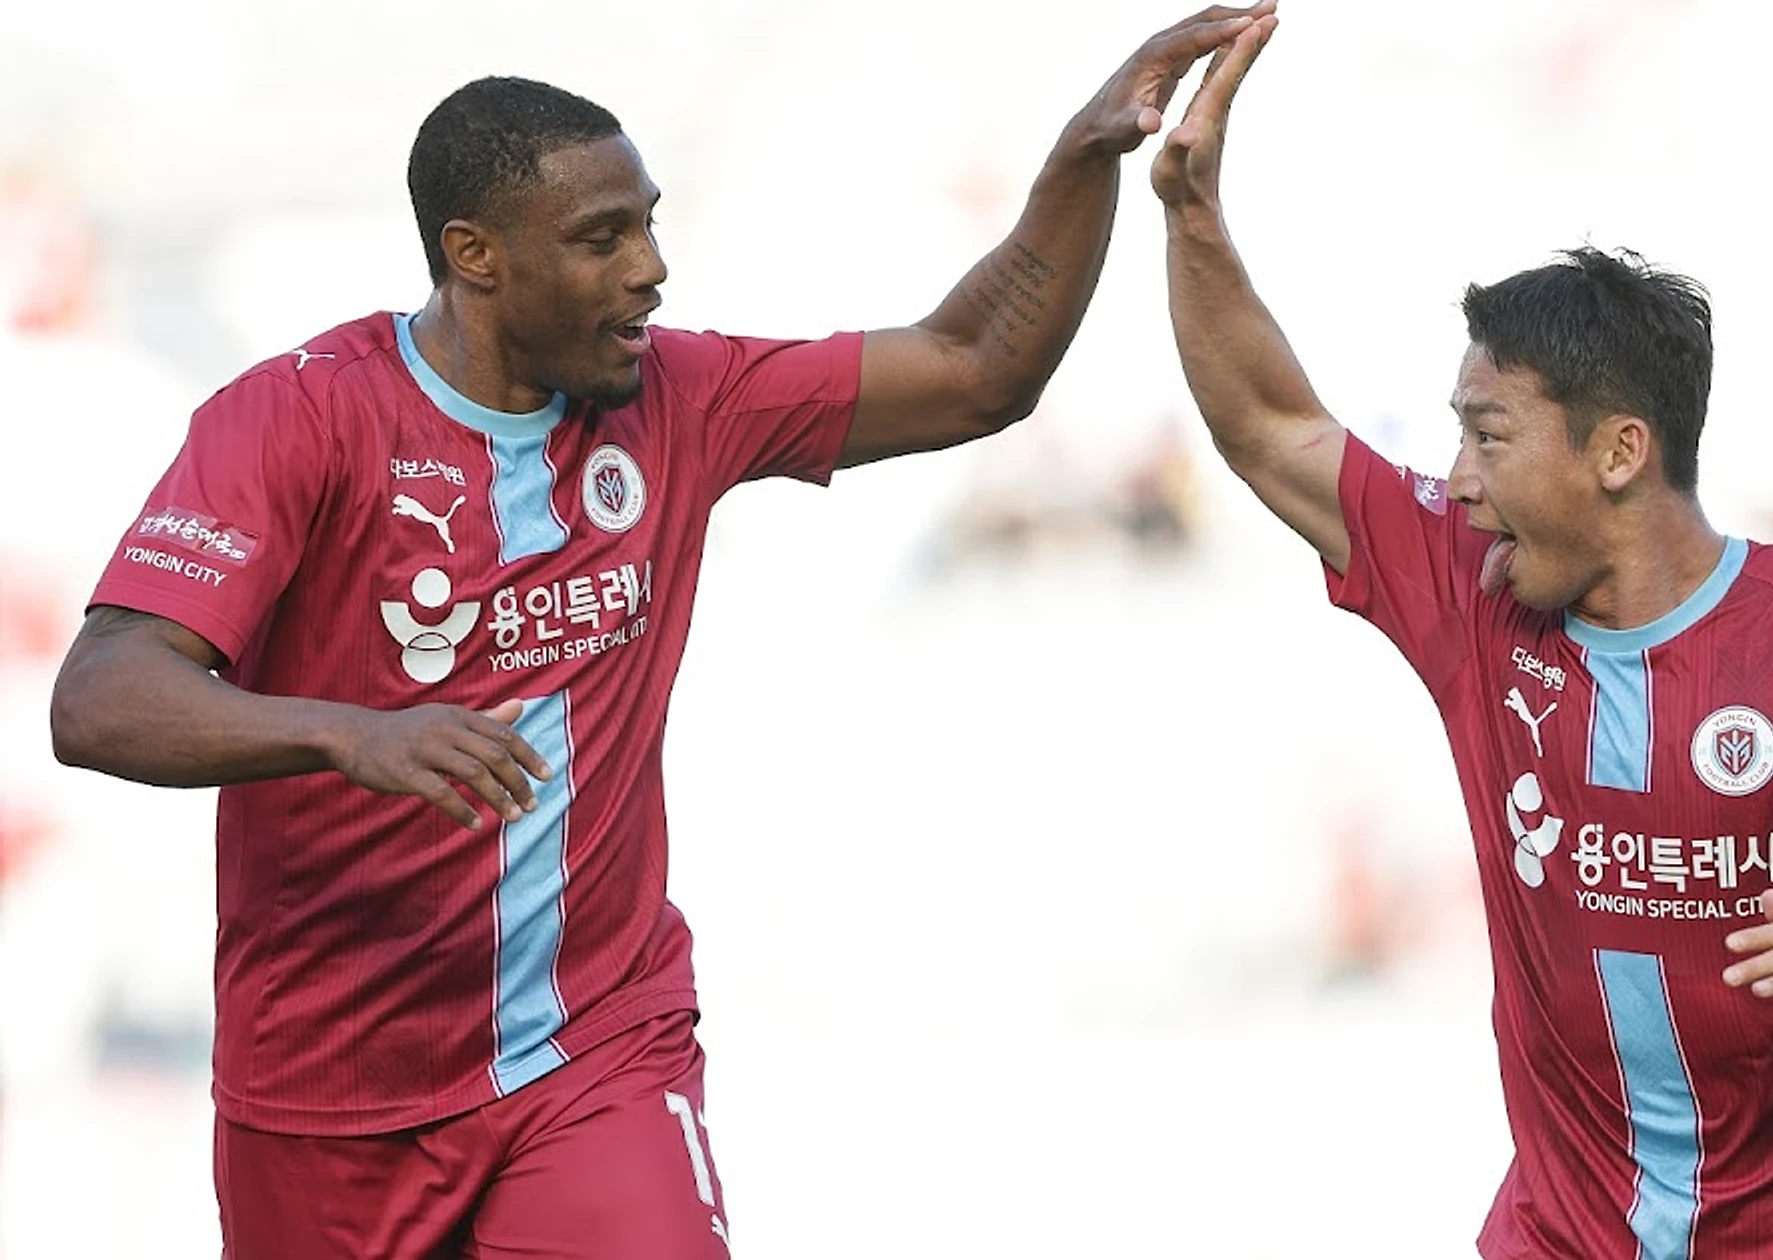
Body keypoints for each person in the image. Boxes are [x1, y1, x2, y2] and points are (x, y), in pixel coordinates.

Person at [47, 7, 1270, 1256]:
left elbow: (972, 369)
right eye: (602, 238)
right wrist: (345, 734)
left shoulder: (680, 397)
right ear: (476, 255)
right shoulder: (296, 420)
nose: (650, 270)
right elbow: (99, 698)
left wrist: (1081, 159)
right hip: (330, 1092)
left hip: (595, 1052)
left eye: (648, 223)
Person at [1150, 19, 1773, 1259]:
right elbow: (1269, 426)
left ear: (1620, 452)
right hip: (1563, 1238)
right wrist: (1190, 217)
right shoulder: (1475, 593)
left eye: (1489, 436)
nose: (1459, 479)